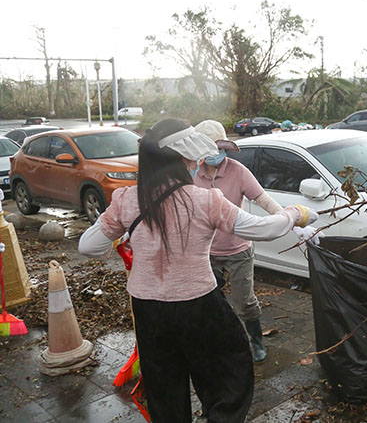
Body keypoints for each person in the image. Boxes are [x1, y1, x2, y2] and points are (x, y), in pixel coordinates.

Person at [78, 118, 319, 423]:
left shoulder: (127, 199)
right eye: (193, 157)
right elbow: (264, 229)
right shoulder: (206, 200)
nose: (198, 162)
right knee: (227, 375)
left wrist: (124, 239)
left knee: (164, 387)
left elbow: (87, 246)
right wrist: (296, 214)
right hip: (198, 306)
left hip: (148, 311)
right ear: (181, 159)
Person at [193, 120, 320, 363]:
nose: (216, 154)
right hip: (205, 251)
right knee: (206, 300)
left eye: (220, 148)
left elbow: (263, 199)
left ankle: (256, 340)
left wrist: (288, 219)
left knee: (245, 302)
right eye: (211, 149)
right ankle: (217, 339)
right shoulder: (192, 174)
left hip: (237, 248)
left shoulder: (237, 171)